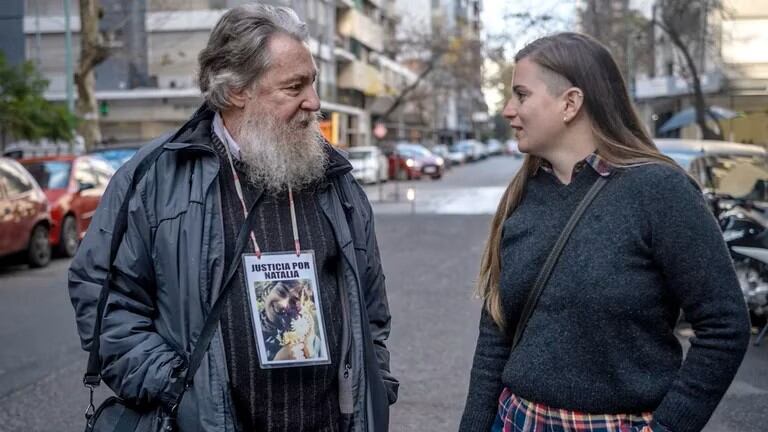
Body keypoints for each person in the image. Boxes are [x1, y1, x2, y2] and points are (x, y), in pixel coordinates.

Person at [68, 4, 397, 432]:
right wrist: (177, 387)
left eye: (312, 83)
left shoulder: (336, 180)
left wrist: (377, 382)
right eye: (294, 86)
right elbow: (106, 301)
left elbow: (370, 304)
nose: (314, 102)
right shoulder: (153, 179)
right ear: (236, 90)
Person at [459, 32, 750, 432]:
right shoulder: (523, 197)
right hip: (515, 421)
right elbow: (495, 332)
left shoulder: (659, 192)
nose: (508, 110)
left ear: (570, 103)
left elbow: (725, 326)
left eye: (521, 95)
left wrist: (666, 427)